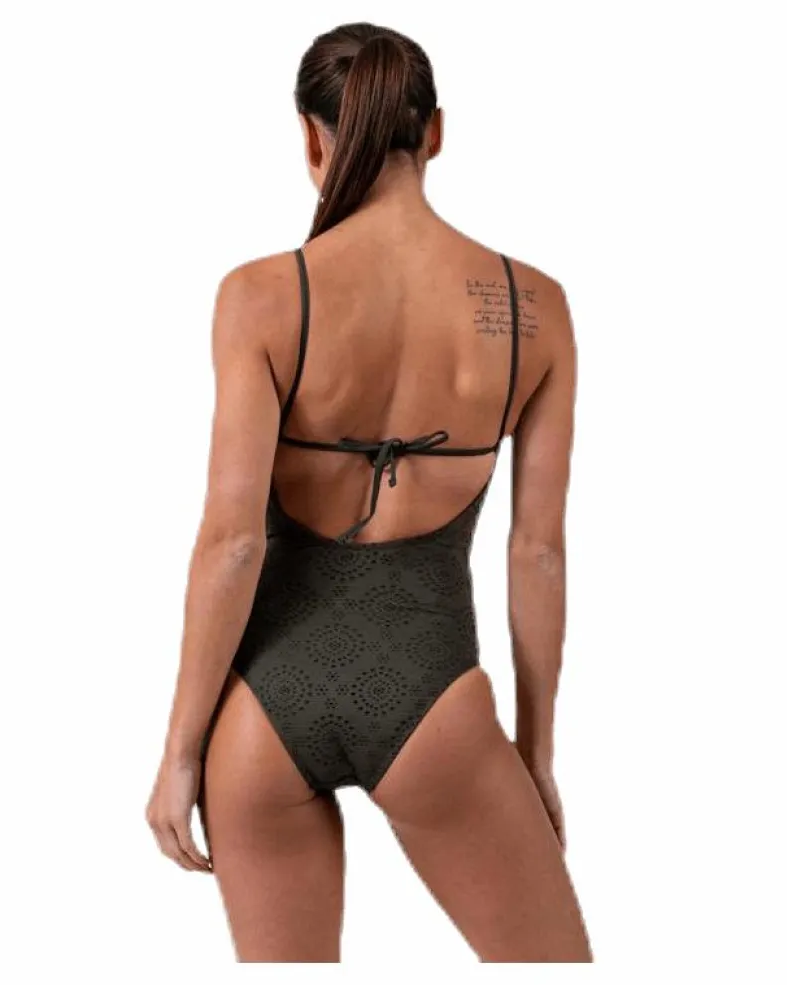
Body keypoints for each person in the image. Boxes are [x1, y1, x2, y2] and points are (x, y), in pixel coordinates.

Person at [146, 21, 592, 963]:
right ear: (435, 132)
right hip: (435, 699)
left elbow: (232, 543)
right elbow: (538, 552)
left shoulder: (260, 296)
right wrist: (535, 751)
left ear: (312, 139)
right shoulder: (533, 309)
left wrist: (181, 749)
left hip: (261, 712)